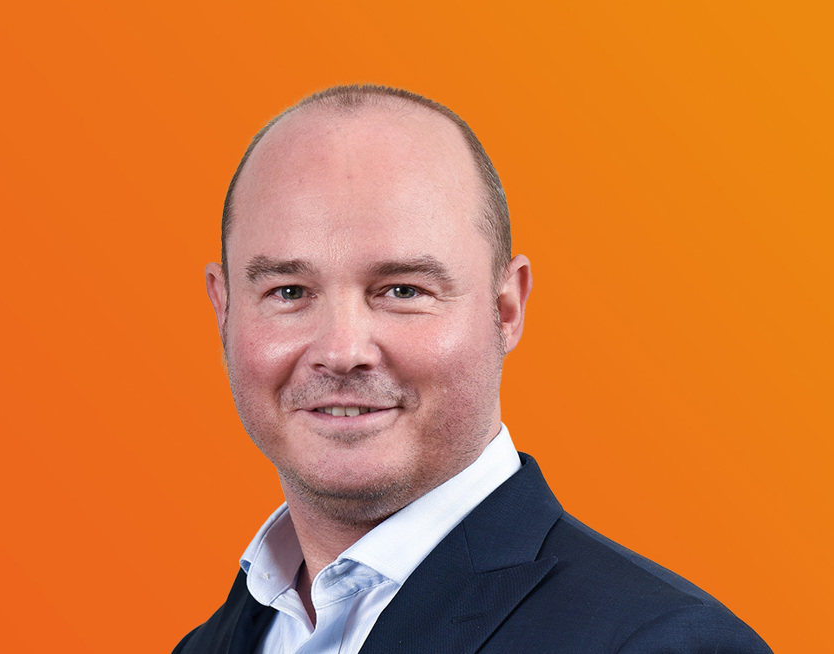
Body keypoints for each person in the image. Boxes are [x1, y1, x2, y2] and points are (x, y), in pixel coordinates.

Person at [173, 85, 771, 653]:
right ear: (223, 311)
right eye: (288, 291)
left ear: (506, 308)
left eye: (403, 290)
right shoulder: (210, 644)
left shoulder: (665, 644)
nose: (342, 349)